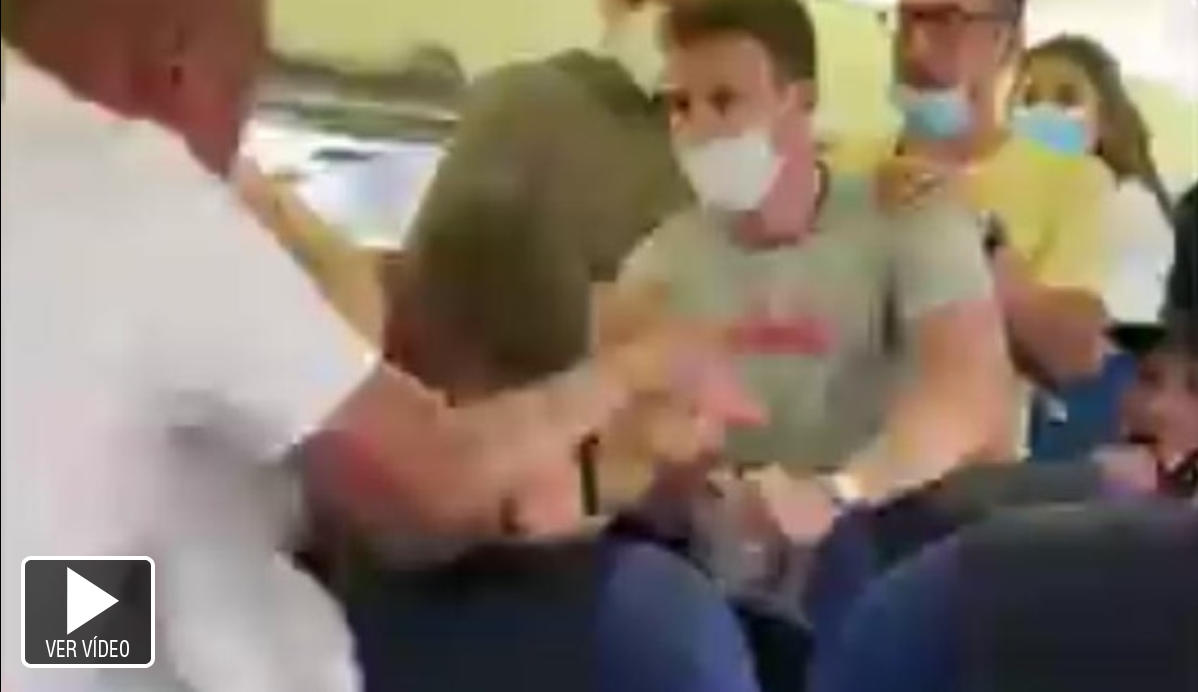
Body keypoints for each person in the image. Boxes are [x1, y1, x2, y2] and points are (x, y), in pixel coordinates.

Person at [0, 0, 760, 689]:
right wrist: (635, 373)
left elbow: (58, 603)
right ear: (178, 64)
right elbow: (442, 480)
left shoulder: (62, 222)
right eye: (245, 92)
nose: (237, 143)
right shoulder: (141, 201)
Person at [605, 0, 1012, 609]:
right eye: (680, 105)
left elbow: (967, 396)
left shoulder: (908, 216)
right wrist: (686, 482)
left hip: (890, 547)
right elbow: (626, 444)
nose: (698, 128)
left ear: (799, 101)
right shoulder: (656, 267)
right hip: (726, 569)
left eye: (725, 100)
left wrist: (838, 492)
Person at [834, 0, 1115, 453]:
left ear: (1007, 40)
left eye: (947, 20)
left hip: (972, 481)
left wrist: (969, 237)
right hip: (824, 464)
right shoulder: (841, 165)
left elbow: (1074, 355)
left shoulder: (1070, 181)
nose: (915, 47)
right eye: (908, 18)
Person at [1014, 35, 1174, 325]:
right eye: (1029, 99)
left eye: (1066, 99)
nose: (1043, 113)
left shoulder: (1129, 207)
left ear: (1106, 120)